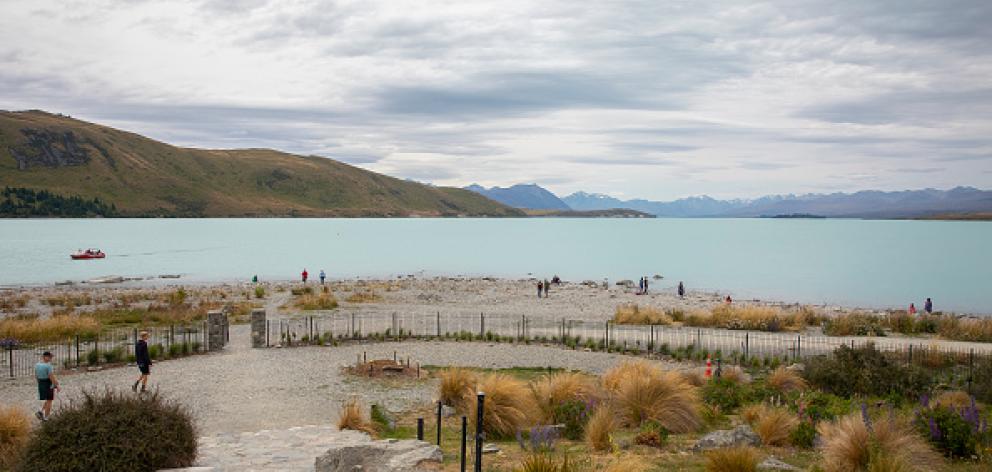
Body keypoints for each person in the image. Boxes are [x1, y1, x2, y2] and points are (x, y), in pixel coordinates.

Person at [35, 351, 59, 421]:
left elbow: (36, 375)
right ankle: (46, 417)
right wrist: (56, 385)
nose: (51, 358)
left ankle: (41, 411)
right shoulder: (48, 366)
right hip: (48, 383)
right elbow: (51, 376)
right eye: (50, 357)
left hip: (41, 383)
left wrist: (39, 383)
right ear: (45, 357)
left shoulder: (37, 365)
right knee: (50, 401)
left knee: (48, 399)